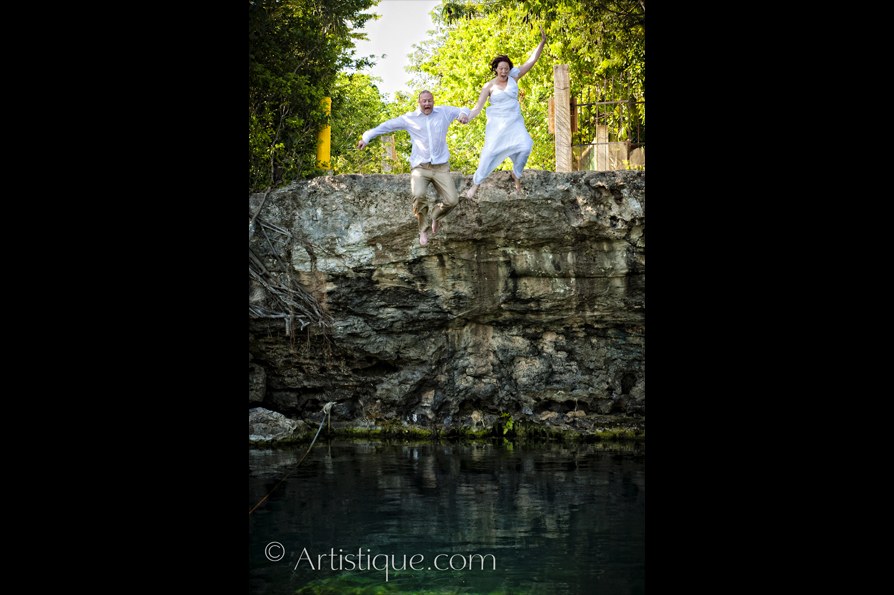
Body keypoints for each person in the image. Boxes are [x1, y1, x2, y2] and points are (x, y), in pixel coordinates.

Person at [358, 91, 470, 246]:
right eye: (424, 101)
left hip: (440, 167)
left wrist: (463, 114)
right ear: (419, 102)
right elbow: (388, 126)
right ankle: (423, 229)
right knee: (418, 195)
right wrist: (367, 137)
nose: (427, 104)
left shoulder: (443, 112)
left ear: (433, 101)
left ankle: (435, 216)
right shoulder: (409, 119)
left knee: (452, 200)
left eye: (430, 101)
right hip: (420, 167)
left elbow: (463, 109)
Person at [463, 25, 547, 199]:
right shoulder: (489, 86)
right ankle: (475, 186)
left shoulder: (514, 77)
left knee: (525, 146)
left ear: (509, 69)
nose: (503, 71)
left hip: (514, 121)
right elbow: (478, 107)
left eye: (506, 68)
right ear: (496, 69)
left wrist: (542, 42)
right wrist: (467, 118)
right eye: (500, 68)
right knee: (489, 153)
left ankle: (516, 174)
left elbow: (531, 61)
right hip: (497, 125)